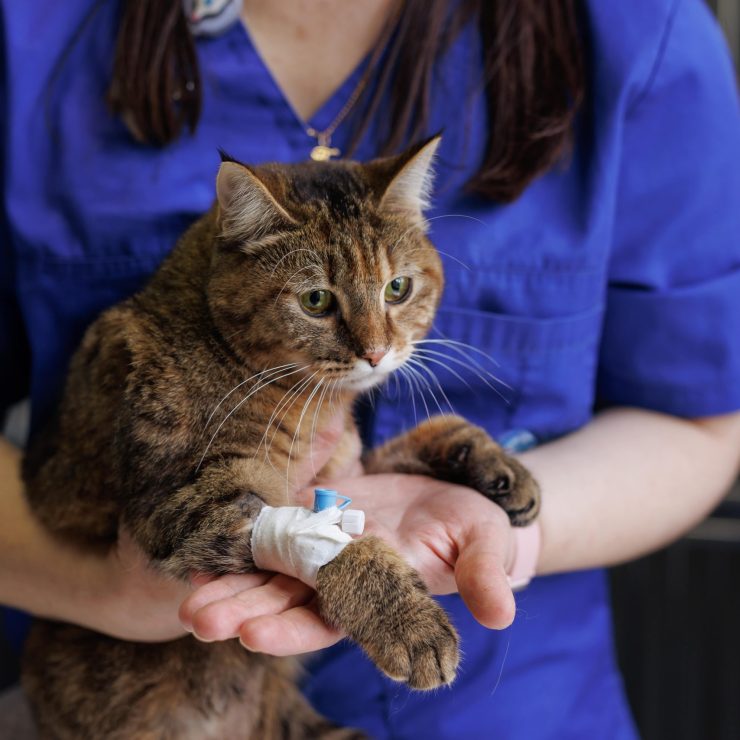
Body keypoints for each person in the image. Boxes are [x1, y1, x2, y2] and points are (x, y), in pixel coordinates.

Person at [2, 0, 740, 737]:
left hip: (513, 702)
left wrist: (503, 536)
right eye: (320, 302)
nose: (374, 346)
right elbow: (201, 515)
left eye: (396, 293)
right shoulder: (37, 30)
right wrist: (105, 589)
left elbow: (700, 417)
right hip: (148, 702)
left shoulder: (638, 28)